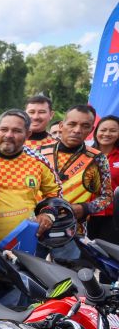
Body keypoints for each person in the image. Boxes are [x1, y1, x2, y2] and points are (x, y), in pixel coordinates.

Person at [0, 110, 61, 300]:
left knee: (14, 308)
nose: (9, 135)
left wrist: (47, 213)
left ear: (28, 134)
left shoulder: (38, 160)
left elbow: (55, 194)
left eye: (16, 131)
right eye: (4, 129)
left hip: (20, 254)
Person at [38, 105, 111, 260]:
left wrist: (84, 208)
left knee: (70, 274)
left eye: (85, 126)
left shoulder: (98, 159)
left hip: (72, 231)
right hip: (36, 227)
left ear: (91, 130)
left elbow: (107, 197)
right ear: (61, 125)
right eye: (72, 124)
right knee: (27, 271)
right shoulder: (39, 152)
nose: (77, 130)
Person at [86, 115, 119, 243]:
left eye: (113, 130)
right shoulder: (84, 155)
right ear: (96, 132)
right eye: (103, 130)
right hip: (85, 214)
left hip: (113, 218)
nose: (107, 134)